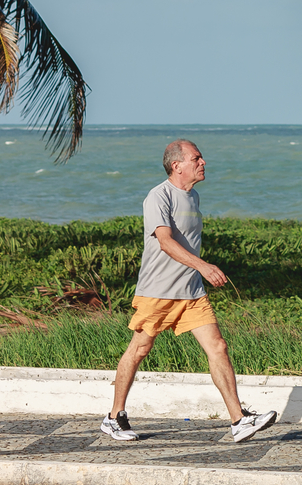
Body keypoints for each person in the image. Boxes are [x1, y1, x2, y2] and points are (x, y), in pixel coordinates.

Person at [100, 139, 277, 443]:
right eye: (197, 158)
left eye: (202, 158)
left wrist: (196, 272)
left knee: (218, 347)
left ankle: (238, 420)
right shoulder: (158, 196)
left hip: (191, 293)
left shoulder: (192, 196)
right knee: (140, 349)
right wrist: (203, 266)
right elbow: (165, 241)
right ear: (177, 165)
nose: (203, 162)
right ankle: (115, 417)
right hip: (159, 291)